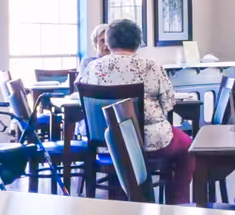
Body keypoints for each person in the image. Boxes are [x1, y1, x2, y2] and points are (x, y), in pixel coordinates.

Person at [77, 18, 193, 203]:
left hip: (108, 143)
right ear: (137, 42)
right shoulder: (150, 66)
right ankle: (177, 202)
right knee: (187, 145)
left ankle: (126, 197)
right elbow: (168, 102)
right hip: (148, 141)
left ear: (108, 41)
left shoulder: (92, 67)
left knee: (123, 152)